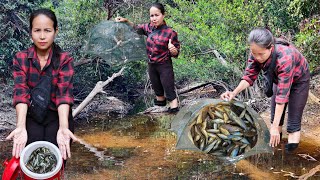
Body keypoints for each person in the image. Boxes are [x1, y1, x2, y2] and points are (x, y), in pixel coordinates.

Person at [221, 28, 310, 152]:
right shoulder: (256, 53)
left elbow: (281, 98)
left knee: (293, 124)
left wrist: (273, 128)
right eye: (254, 53)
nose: (257, 57)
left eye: (261, 54)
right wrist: (233, 92)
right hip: (279, 80)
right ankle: (277, 153)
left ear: (271, 48)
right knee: (275, 120)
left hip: (298, 81)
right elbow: (248, 77)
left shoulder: (285, 58)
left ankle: (291, 158)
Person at [6, 8, 78, 160]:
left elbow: (63, 96)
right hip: (32, 115)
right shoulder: (21, 58)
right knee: (32, 159)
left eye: (48, 30)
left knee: (55, 159)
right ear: (31, 31)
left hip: (57, 116)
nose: (42, 36)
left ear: (55, 31)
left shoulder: (65, 60)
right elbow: (21, 93)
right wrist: (20, 126)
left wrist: (64, 127)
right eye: (37, 30)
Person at [115, 2, 181, 113]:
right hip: (152, 65)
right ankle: (160, 119)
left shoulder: (170, 33)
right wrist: (126, 21)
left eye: (157, 15)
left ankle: (174, 113)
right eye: (152, 16)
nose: (154, 18)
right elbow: (137, 28)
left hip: (164, 66)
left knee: (169, 91)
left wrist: (173, 50)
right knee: (158, 92)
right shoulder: (149, 28)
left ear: (163, 15)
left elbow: (176, 53)